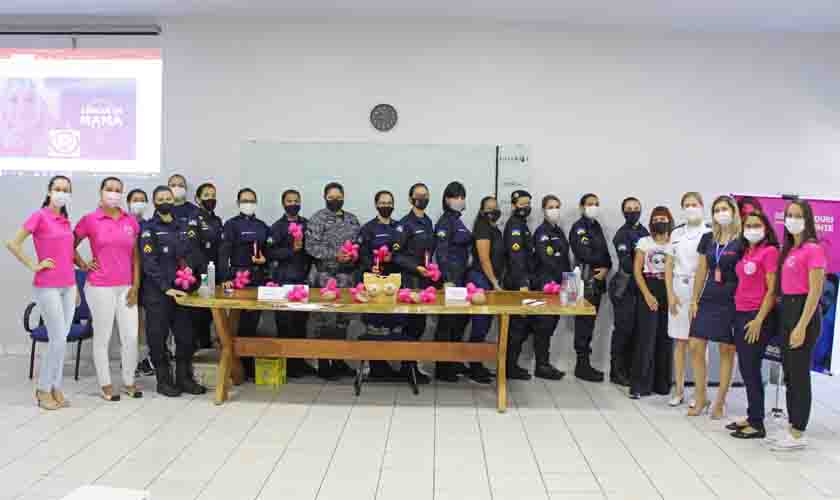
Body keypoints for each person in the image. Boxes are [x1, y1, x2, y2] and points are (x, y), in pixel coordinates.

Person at [6, 175, 77, 410]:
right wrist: (33, 265)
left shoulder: (65, 221)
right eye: (57, 188)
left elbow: (67, 256)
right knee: (57, 339)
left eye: (66, 189)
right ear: (49, 191)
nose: (61, 192)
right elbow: (13, 243)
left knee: (62, 339)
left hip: (68, 285)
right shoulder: (40, 216)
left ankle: (56, 387)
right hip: (47, 285)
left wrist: (75, 287)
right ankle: (43, 389)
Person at [74, 177, 143, 401]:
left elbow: (135, 257)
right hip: (99, 286)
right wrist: (83, 264)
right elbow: (69, 244)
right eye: (109, 189)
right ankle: (105, 384)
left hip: (126, 287)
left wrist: (136, 286)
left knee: (131, 337)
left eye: (118, 190)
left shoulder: (130, 221)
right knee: (103, 337)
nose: (113, 193)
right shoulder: (90, 219)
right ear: (101, 192)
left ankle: (129, 381)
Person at [767, 200, 826, 451]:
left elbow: (815, 291)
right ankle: (792, 425)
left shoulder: (814, 249)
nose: (792, 219)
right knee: (790, 374)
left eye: (797, 215)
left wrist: (801, 326)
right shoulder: (790, 250)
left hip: (804, 313)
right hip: (787, 311)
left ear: (807, 219)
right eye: (789, 215)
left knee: (799, 375)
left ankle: (799, 431)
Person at [139, 186, 207, 397]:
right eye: (160, 198)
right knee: (157, 338)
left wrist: (195, 277)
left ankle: (184, 378)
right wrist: (166, 288)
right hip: (159, 293)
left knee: (186, 338)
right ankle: (164, 380)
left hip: (182, 292)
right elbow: (149, 263)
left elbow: (191, 254)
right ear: (154, 202)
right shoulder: (149, 228)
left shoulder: (183, 226)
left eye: (168, 197)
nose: (165, 201)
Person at [688, 196, 743, 418]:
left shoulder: (741, 240)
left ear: (733, 211)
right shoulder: (708, 238)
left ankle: (720, 401)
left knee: (726, 350)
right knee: (695, 345)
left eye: (725, 209)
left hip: (731, 298)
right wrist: (694, 299)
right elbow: (702, 270)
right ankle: (701, 397)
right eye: (717, 209)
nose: (721, 213)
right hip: (708, 296)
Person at [727, 209, 779, 439]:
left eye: (756, 225)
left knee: (751, 370)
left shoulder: (769, 252)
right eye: (748, 225)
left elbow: (772, 290)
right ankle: (751, 415)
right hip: (740, 312)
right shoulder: (747, 250)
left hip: (756, 316)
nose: (752, 229)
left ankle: (757, 423)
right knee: (747, 369)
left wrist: (759, 320)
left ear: (765, 228)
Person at [306, 182, 361, 380]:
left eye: (338, 197)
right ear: (325, 198)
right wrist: (335, 255)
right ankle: (323, 363)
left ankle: (338, 360)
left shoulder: (352, 220)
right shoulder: (317, 219)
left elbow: (358, 245)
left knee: (343, 321)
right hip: (324, 277)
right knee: (323, 320)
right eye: (331, 197)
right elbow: (311, 247)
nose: (335, 200)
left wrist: (352, 256)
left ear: (344, 197)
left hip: (346, 277)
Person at [219, 188, 271, 380]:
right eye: (244, 200)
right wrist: (225, 278)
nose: (248, 203)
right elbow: (224, 253)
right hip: (237, 278)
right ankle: (235, 367)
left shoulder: (262, 226)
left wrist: (265, 260)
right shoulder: (231, 225)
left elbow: (269, 252)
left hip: (258, 278)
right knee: (237, 323)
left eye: (251, 200)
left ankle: (248, 368)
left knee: (253, 324)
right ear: (238, 203)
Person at [665, 192, 710, 407]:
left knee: (699, 344)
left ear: (702, 206)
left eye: (694, 204)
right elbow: (668, 266)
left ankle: (701, 394)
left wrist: (697, 297)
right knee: (680, 342)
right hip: (678, 289)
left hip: (699, 290)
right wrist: (670, 295)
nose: (690, 208)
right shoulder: (675, 233)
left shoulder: (709, 233)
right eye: (686, 205)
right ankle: (679, 390)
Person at [266, 189, 316, 378]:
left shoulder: (307, 224)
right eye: (289, 201)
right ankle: (286, 365)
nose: (293, 203)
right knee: (285, 325)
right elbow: (270, 253)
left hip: (303, 281)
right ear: (283, 204)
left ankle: (300, 362)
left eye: (296, 200)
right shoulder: (277, 227)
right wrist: (291, 250)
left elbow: (312, 250)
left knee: (301, 324)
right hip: (283, 281)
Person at [355, 190, 404, 380]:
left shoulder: (399, 227)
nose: (386, 206)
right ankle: (375, 366)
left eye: (389, 202)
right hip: (374, 283)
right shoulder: (368, 228)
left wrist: (395, 258)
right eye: (382, 203)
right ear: (376, 205)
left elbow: (403, 251)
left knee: (393, 323)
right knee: (374, 323)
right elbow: (362, 254)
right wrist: (371, 266)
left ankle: (391, 365)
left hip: (393, 282)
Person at [392, 183, 435, 384]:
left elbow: (429, 252)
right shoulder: (404, 224)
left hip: (424, 280)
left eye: (425, 195)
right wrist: (416, 268)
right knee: (411, 325)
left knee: (420, 324)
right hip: (410, 280)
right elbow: (396, 256)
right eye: (418, 195)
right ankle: (407, 368)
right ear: (410, 199)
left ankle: (412, 366)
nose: (422, 198)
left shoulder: (427, 222)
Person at [524, 194, 570, 380]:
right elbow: (546, 259)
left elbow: (564, 258)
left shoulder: (559, 231)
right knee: (543, 325)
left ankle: (544, 363)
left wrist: (568, 281)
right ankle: (541, 365)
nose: (554, 210)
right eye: (550, 207)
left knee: (551, 324)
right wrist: (560, 274)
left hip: (559, 284)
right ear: (543, 210)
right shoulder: (541, 232)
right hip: (545, 284)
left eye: (557, 206)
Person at [630, 206, 674, 399]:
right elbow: (637, 271)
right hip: (649, 288)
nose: (660, 221)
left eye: (663, 218)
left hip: (670, 289)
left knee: (666, 337)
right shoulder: (644, 241)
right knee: (646, 338)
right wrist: (647, 294)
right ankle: (640, 385)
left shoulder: (675, 241)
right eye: (656, 219)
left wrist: (672, 294)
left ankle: (662, 384)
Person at [433, 181, 473, 382]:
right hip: (451, 279)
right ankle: (442, 367)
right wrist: (447, 279)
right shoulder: (445, 222)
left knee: (459, 321)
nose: (460, 200)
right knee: (447, 323)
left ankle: (454, 360)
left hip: (462, 277)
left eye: (462, 196)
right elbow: (441, 253)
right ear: (447, 199)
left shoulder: (458, 220)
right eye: (456, 196)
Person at [569, 193, 612, 382]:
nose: (593, 207)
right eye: (589, 204)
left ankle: (585, 364)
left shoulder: (596, 226)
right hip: (583, 281)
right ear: (581, 207)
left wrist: (607, 267)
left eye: (596, 204)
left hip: (598, 281)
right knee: (583, 323)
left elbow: (604, 252)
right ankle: (581, 365)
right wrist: (601, 265)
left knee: (590, 323)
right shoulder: (578, 228)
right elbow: (584, 254)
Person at [609, 197, 650, 387]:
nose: (632, 211)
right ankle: (616, 371)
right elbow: (627, 263)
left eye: (636, 208)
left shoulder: (644, 232)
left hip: (642, 289)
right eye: (628, 209)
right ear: (623, 212)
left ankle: (631, 370)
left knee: (637, 331)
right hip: (625, 288)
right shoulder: (621, 235)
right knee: (623, 330)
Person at [465, 196, 505, 384]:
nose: (493, 211)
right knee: (480, 325)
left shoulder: (494, 229)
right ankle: (474, 365)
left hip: (488, 280)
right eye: (489, 208)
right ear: (482, 211)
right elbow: (484, 259)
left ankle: (477, 363)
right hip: (480, 279)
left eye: (495, 208)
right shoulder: (482, 228)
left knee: (485, 325)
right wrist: (495, 282)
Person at [504, 190, 536, 380]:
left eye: (528, 203)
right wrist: (523, 283)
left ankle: (511, 365)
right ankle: (509, 367)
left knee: (520, 326)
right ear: (514, 205)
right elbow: (516, 258)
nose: (526, 207)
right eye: (522, 203)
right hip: (517, 282)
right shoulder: (515, 226)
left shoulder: (522, 225)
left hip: (523, 280)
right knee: (516, 327)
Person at [127, 188, 155, 378]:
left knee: (146, 323)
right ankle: (130, 360)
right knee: (130, 323)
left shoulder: (149, 225)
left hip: (147, 278)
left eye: (142, 200)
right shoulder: (123, 223)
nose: (139, 203)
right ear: (128, 202)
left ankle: (145, 360)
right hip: (126, 278)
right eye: (135, 199)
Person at [193, 182, 223, 349]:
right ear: (198, 199)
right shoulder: (193, 219)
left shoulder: (217, 220)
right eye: (206, 196)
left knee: (211, 315)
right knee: (199, 317)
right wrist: (203, 273)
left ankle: (208, 349)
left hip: (214, 273)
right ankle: (199, 353)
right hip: (200, 275)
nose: (211, 199)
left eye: (213, 196)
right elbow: (193, 248)